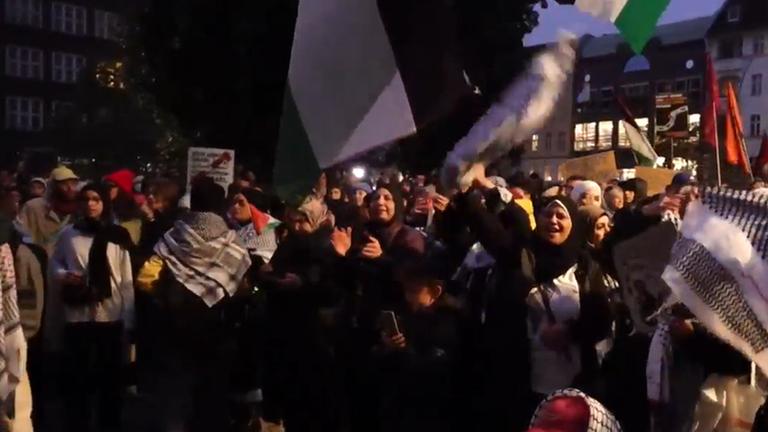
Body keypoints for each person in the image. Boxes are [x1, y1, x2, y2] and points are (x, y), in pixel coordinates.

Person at [458, 165, 612, 430]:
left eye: (561, 216)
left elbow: (601, 319)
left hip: (572, 388)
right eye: (547, 214)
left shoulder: (586, 267)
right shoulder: (521, 256)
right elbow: (489, 229)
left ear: (573, 224)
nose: (553, 221)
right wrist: (464, 194)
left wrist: (570, 331)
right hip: (521, 383)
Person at [136, 177, 251, 432]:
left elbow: (146, 279)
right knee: (211, 397)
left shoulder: (172, 235)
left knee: (174, 398)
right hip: (216, 332)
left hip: (173, 329)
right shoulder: (233, 242)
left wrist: (165, 296)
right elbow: (241, 285)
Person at [47, 183, 134, 432]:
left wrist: (129, 320)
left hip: (110, 313)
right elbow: (55, 263)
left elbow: (125, 279)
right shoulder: (69, 234)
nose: (91, 204)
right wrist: (65, 275)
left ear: (105, 203)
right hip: (78, 313)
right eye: (86, 199)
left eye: (96, 199)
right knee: (78, 376)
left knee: (110, 379)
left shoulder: (117, 234)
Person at [260, 196, 345, 432]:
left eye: (302, 221)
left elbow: (333, 291)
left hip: (314, 338)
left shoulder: (327, 248)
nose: (296, 227)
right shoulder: (289, 244)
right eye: (292, 221)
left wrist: (302, 285)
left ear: (315, 220)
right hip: (285, 333)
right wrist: (267, 276)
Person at [375, 257, 462, 432]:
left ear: (435, 292)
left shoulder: (448, 323)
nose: (407, 297)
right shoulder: (409, 315)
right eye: (406, 290)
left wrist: (402, 351)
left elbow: (432, 371)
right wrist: (387, 346)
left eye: (413, 291)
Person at [17, 166, 79, 256]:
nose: (70, 188)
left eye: (73, 184)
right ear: (53, 186)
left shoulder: (81, 209)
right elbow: (20, 234)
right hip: (39, 260)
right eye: (64, 184)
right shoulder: (32, 207)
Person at [104, 169, 143, 245]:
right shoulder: (105, 207)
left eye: (110, 186)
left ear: (122, 188)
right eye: (104, 186)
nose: (106, 189)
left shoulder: (134, 215)